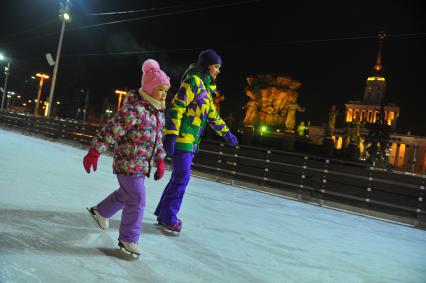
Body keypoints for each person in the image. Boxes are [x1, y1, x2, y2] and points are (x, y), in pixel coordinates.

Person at [82, 59, 170, 257]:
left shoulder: (158, 114)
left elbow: (157, 140)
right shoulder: (134, 110)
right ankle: (128, 238)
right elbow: (111, 131)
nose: (165, 94)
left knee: (127, 194)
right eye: (161, 90)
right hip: (127, 162)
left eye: (166, 90)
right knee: (137, 199)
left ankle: (101, 211)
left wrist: (160, 160)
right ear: (148, 89)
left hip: (142, 164)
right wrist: (95, 151)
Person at [154, 49, 238, 234]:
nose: (218, 70)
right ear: (207, 66)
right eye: (216, 66)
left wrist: (226, 133)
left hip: (191, 142)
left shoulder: (206, 91)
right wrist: (171, 135)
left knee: (178, 178)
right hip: (182, 139)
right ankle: (168, 217)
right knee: (182, 178)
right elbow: (176, 107)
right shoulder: (193, 82)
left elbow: (213, 116)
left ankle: (164, 213)